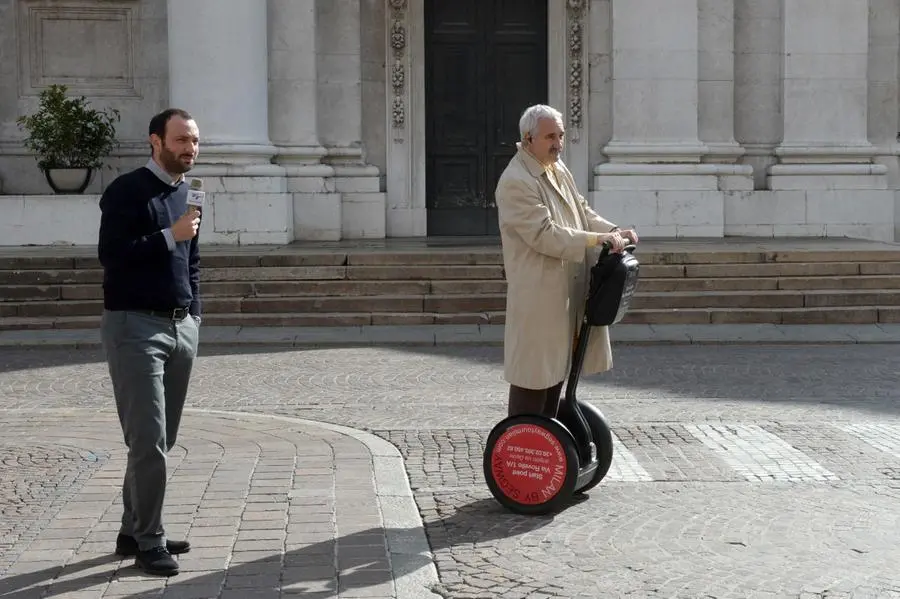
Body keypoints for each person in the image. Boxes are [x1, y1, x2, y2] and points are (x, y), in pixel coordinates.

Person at [98, 108, 202, 576]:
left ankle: (130, 529)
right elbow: (112, 256)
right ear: (155, 141)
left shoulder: (188, 193)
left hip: (180, 327)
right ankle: (150, 540)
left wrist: (194, 315)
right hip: (134, 326)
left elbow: (192, 260)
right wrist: (168, 236)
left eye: (195, 141)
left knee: (162, 438)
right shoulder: (126, 190)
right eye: (181, 139)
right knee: (148, 442)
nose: (190, 148)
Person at [494, 104, 638, 418]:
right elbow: (545, 235)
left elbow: (582, 211)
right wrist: (596, 240)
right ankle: (522, 453)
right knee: (534, 379)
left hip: (566, 293)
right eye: (550, 136)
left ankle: (549, 451)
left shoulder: (557, 170)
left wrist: (612, 230)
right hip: (539, 299)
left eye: (560, 135)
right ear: (528, 138)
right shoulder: (516, 181)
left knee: (557, 375)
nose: (558, 143)